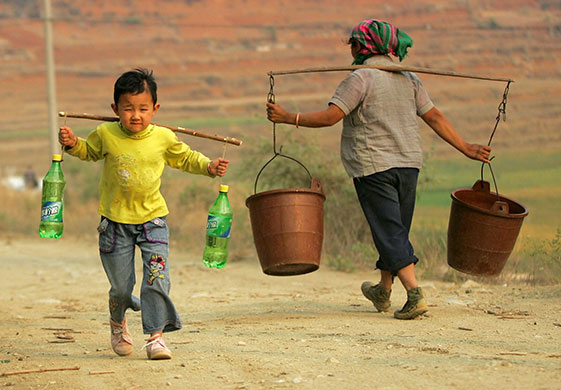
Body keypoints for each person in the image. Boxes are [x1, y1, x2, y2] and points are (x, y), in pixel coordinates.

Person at [266, 19, 491, 320]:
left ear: (364, 46)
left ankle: (414, 294)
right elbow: (434, 116)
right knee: (395, 228)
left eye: (354, 45)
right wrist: (465, 147)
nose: (352, 51)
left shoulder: (360, 78)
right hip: (409, 163)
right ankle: (383, 290)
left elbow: (332, 116)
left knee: (389, 230)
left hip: (373, 165)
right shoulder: (409, 78)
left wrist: (287, 117)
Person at [59, 68, 229, 359]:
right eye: (128, 109)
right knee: (122, 288)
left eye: (143, 109)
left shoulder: (163, 137)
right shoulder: (106, 133)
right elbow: (89, 151)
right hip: (114, 223)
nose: (135, 116)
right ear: (115, 109)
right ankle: (118, 322)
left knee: (157, 277)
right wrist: (74, 144)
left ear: (155, 109)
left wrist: (209, 167)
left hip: (153, 220)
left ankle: (155, 337)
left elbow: (185, 157)